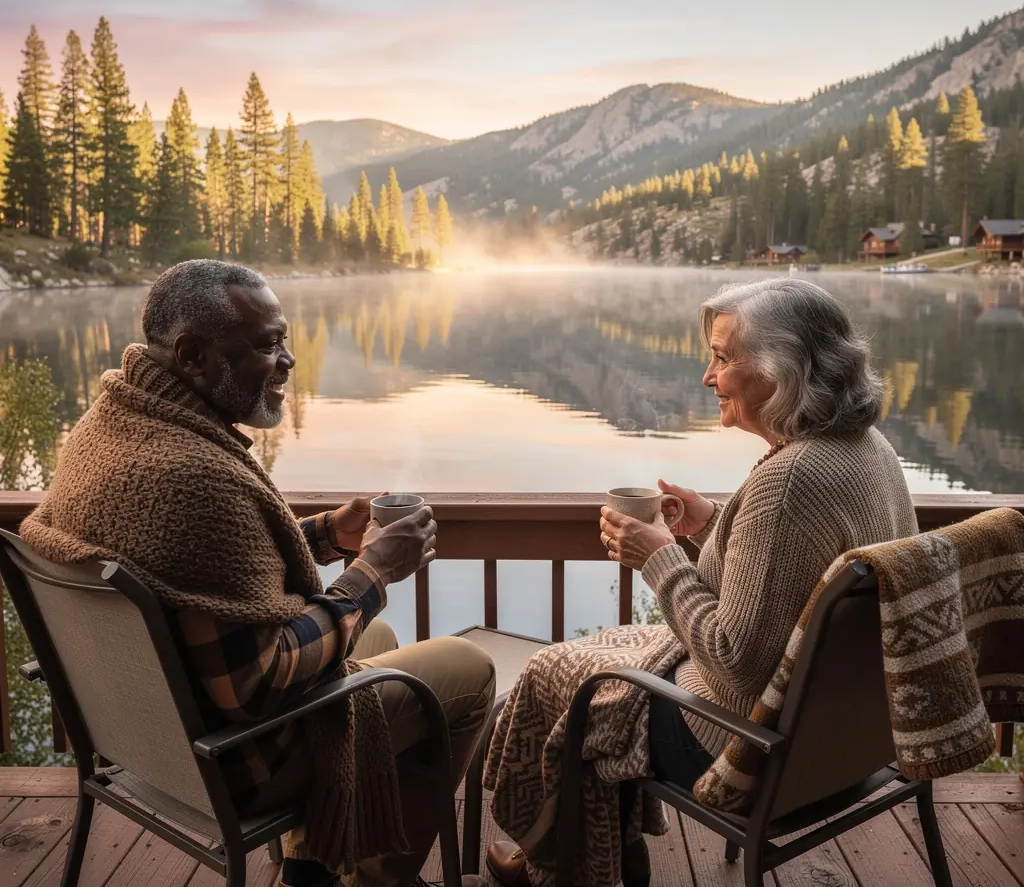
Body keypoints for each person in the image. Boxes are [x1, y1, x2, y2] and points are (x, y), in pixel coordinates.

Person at [21, 260, 494, 887]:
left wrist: (323, 535)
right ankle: (379, 880)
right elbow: (255, 685)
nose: (289, 360)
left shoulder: (115, 426)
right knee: (466, 671)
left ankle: (309, 866)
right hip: (227, 759)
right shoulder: (195, 477)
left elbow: (190, 569)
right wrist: (372, 573)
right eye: (267, 343)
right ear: (192, 356)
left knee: (373, 646)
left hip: (150, 736)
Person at [485, 278, 918, 887]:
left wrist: (659, 560)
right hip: (849, 742)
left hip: (746, 747)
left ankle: (557, 864)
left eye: (721, 357)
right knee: (593, 676)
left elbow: (735, 661)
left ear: (782, 368)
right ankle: (596, 852)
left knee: (565, 682)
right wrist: (712, 525)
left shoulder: (790, 479)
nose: (707, 378)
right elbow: (792, 577)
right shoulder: (867, 448)